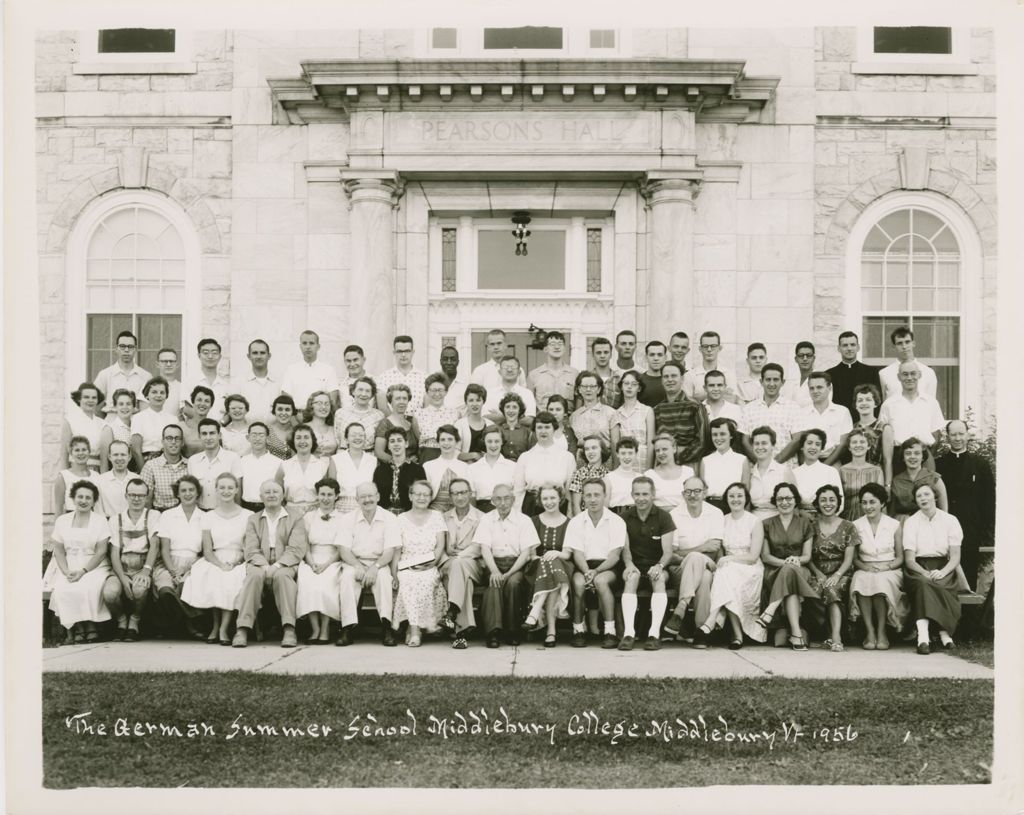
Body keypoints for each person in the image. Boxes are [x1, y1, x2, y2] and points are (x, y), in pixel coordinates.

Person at [230, 480, 306, 648]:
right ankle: (242, 628)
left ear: (283, 495)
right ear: (261, 497)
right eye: (267, 492)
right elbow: (250, 548)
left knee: (283, 577)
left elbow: (296, 548)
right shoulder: (253, 519)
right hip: (259, 562)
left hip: (285, 562)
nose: (271, 495)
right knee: (254, 577)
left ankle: (289, 628)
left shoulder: (296, 517)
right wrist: (265, 566)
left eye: (275, 491)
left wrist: (277, 566)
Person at [181, 473, 252, 645]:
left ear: (236, 490)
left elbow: (248, 547)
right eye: (222, 488)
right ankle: (215, 625)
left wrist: (234, 563)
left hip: (239, 559)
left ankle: (223, 628)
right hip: (215, 558)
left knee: (231, 579)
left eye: (230, 487)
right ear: (216, 491)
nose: (226, 491)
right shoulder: (208, 517)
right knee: (213, 576)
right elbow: (207, 550)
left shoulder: (248, 515)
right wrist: (220, 564)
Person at [698, 482, 766, 648]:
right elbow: (721, 550)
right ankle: (736, 635)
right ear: (726, 499)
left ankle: (710, 622)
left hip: (750, 568)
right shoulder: (723, 520)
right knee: (726, 577)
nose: (736, 499)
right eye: (732, 496)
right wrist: (724, 561)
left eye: (739, 496)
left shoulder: (755, 521)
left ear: (746, 499)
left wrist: (728, 560)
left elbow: (753, 556)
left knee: (726, 575)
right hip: (728, 569)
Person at [44, 480, 113, 643]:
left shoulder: (100, 521)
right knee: (63, 589)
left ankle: (90, 626)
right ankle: (79, 627)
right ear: (73, 499)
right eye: (80, 497)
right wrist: (66, 571)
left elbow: (101, 551)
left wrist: (83, 571)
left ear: (94, 501)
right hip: (67, 565)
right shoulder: (62, 520)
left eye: (88, 498)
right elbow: (59, 550)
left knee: (88, 587)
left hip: (93, 566)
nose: (83, 501)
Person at [475, 483, 539, 647]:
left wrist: (509, 573)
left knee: (514, 583)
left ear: (513, 499)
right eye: (498, 499)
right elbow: (484, 548)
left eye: (506, 498)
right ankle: (493, 632)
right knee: (494, 583)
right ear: (492, 500)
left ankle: (513, 631)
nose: (502, 503)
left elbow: (526, 553)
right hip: (493, 563)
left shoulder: (523, 520)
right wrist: (495, 571)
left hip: (516, 564)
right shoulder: (487, 519)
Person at [903, 483, 964, 654]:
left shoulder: (950, 520)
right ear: (915, 500)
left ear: (935, 496)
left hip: (944, 567)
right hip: (917, 568)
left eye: (926, 494)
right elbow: (909, 560)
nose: (923, 498)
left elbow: (955, 557)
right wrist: (925, 573)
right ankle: (923, 638)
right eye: (919, 496)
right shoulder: (911, 522)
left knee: (938, 582)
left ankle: (944, 634)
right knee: (924, 583)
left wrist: (943, 572)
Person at [564, 478, 626, 648]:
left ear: (605, 496)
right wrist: (587, 572)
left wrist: (596, 572)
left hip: (608, 567)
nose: (592, 499)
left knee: (600, 582)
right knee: (577, 582)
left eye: (597, 495)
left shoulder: (616, 521)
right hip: (584, 565)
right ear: (583, 497)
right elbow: (577, 553)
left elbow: (615, 556)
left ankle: (609, 631)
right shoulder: (576, 522)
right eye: (588, 495)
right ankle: (578, 630)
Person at [336, 482, 401, 646]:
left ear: (378, 497)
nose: (367, 500)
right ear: (357, 500)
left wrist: (375, 568)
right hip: (353, 561)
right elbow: (344, 549)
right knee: (347, 579)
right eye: (363, 496)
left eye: (370, 495)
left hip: (379, 562)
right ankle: (347, 629)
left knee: (384, 580)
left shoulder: (390, 518)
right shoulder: (347, 519)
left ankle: (386, 628)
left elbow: (389, 551)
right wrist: (357, 566)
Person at [663, 477, 724, 647]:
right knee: (703, 576)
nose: (692, 495)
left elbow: (714, 551)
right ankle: (701, 632)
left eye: (697, 491)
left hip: (710, 564)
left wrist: (691, 553)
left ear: (705, 492)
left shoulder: (715, 513)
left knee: (699, 561)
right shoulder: (674, 515)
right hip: (679, 571)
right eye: (688, 491)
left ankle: (681, 607)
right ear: (683, 494)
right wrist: (702, 547)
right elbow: (673, 554)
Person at [935, 419, 995, 590]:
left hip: (971, 528)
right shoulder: (939, 464)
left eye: (961, 433)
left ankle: (968, 616)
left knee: (968, 574)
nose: (957, 438)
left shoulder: (980, 465)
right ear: (947, 437)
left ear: (968, 435)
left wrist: (984, 528)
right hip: (944, 529)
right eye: (953, 434)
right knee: (943, 573)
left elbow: (989, 499)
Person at [757, 482, 817, 651]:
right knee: (789, 575)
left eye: (788, 498)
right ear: (775, 501)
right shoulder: (766, 524)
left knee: (791, 573)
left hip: (800, 569)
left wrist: (794, 561)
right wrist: (786, 563)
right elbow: (766, 556)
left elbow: (806, 556)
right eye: (780, 498)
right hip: (774, 570)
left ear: (795, 500)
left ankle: (772, 608)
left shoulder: (805, 523)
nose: (784, 502)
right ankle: (797, 634)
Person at [618, 476, 675, 651]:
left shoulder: (664, 517)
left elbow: (668, 552)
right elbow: (625, 549)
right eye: (637, 494)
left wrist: (659, 566)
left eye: (645, 494)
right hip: (633, 564)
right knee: (631, 578)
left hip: (657, 565)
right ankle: (628, 634)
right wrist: (629, 565)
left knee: (659, 579)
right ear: (632, 495)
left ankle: (654, 634)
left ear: (653, 495)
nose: (641, 498)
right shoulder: (624, 517)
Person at [101, 478, 160, 641]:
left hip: (143, 564)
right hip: (121, 565)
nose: (136, 499)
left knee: (139, 590)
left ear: (147, 497)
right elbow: (114, 552)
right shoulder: (115, 519)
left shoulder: (154, 515)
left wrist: (147, 570)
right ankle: (121, 621)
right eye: (132, 495)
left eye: (141, 496)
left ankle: (135, 620)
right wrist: (122, 577)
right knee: (110, 593)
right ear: (126, 496)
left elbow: (155, 545)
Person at [391, 480, 448, 647]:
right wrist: (394, 574)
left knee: (426, 579)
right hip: (406, 565)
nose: (422, 498)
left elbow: (440, 546)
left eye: (426, 494)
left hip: (429, 564)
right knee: (408, 579)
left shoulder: (437, 517)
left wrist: (432, 563)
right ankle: (416, 630)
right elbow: (397, 549)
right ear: (410, 496)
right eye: (418, 494)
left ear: (431, 498)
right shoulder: (400, 519)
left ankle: (412, 627)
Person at [850, 483, 906, 650]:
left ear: (882, 503)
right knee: (862, 580)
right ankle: (870, 631)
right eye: (864, 502)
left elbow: (900, 557)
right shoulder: (855, 525)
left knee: (880, 582)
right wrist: (866, 568)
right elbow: (854, 559)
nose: (868, 507)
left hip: (890, 568)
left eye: (872, 502)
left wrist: (885, 568)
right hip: (865, 567)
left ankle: (882, 632)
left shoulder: (894, 525)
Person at [152, 475, 206, 639]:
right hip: (169, 562)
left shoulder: (205, 516)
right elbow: (164, 549)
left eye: (191, 490)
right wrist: (174, 572)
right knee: (166, 590)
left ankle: (180, 624)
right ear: (177, 494)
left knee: (187, 586)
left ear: (197, 493)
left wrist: (190, 570)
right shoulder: (167, 515)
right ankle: (191, 620)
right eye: (183, 490)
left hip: (195, 563)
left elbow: (204, 551)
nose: (187, 493)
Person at [806, 484, 858, 651]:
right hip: (817, 571)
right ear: (818, 503)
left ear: (838, 502)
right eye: (823, 500)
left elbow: (849, 559)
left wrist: (837, 575)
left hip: (842, 572)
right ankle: (820, 633)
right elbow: (808, 556)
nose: (828, 503)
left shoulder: (849, 526)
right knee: (812, 590)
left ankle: (836, 637)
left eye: (832, 500)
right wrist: (818, 573)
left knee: (831, 589)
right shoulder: (811, 525)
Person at [522, 484, 572, 648]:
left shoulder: (569, 523)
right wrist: (543, 559)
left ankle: (535, 612)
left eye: (552, 498)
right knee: (547, 564)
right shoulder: (533, 521)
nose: (549, 502)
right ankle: (551, 630)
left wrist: (555, 554)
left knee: (553, 564)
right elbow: (530, 554)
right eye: (545, 498)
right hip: (536, 568)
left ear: (560, 499)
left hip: (562, 566)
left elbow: (567, 554)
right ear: (540, 500)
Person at [295, 478, 344, 644]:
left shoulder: (343, 518)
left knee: (326, 584)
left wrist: (326, 564)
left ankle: (325, 628)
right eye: (322, 494)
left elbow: (342, 548)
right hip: (311, 559)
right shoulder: (309, 517)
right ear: (317, 495)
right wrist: (310, 562)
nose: (325, 498)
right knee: (308, 582)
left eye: (330, 494)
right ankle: (314, 628)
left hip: (333, 559)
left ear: (336, 496)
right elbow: (305, 544)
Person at [438, 478, 484, 648]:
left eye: (463, 492)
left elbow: (480, 547)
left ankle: (451, 614)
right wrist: (445, 561)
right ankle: (460, 634)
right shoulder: (443, 518)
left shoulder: (482, 518)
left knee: (459, 566)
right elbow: (439, 546)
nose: (460, 496)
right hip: (449, 565)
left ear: (470, 493)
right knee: (466, 583)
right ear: (450, 497)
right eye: (455, 493)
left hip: (473, 564)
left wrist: (460, 556)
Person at [878, 360, 945, 472]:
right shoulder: (888, 404)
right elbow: (883, 437)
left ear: (919, 375)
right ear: (898, 377)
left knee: (926, 488)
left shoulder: (931, 402)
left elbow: (937, 435)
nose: (909, 378)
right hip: (898, 458)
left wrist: (926, 456)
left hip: (925, 457)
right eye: (905, 374)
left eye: (913, 373)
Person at [825, 383, 893, 487]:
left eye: (868, 400)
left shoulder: (884, 428)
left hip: (875, 477)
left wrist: (887, 485)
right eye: (860, 400)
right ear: (855, 405)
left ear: (876, 403)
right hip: (853, 478)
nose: (864, 403)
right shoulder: (851, 428)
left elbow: (887, 460)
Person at [514, 411, 575, 516]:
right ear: (534, 430)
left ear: (554, 429)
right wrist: (518, 516)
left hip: (558, 507)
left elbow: (569, 492)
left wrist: (569, 514)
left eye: (547, 427)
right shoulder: (525, 457)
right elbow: (518, 491)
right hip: (531, 508)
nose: (543, 431)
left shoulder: (567, 457)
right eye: (539, 427)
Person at [782, 371, 852, 460]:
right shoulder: (802, 413)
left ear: (829, 388)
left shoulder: (842, 412)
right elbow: (800, 444)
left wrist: (824, 467)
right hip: (808, 461)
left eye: (819, 387)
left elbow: (843, 445)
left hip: (833, 460)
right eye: (812, 388)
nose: (815, 391)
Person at [654, 361, 710, 467]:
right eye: (666, 376)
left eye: (674, 376)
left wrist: (679, 459)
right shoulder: (657, 409)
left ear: (682, 379)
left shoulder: (695, 406)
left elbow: (703, 441)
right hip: (664, 464)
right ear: (661, 380)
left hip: (690, 463)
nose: (670, 380)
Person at [740, 363, 801, 457]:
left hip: (785, 467)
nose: (772, 384)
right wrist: (760, 463)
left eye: (776, 380)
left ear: (783, 382)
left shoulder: (793, 408)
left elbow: (797, 439)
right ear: (761, 381)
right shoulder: (748, 409)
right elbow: (745, 441)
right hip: (756, 469)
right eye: (768, 380)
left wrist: (776, 463)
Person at [187, 418, 243, 511]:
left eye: (212, 433)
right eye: (204, 434)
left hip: (225, 512)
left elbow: (238, 490)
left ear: (219, 435)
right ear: (199, 436)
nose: (208, 438)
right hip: (200, 512)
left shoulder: (233, 458)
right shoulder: (192, 460)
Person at [276, 424, 331, 516]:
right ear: (293, 442)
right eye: (298, 438)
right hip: (290, 513)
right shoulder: (284, 465)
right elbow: (277, 493)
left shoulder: (322, 465)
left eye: (306, 437)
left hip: (316, 513)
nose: (302, 441)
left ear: (312, 441)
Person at [826, 331, 881, 422]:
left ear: (858, 347)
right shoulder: (829, 374)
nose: (849, 348)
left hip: (865, 423)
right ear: (839, 348)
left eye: (852, 344)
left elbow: (877, 401)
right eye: (845, 345)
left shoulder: (871, 372)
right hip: (839, 423)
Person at [281, 330, 340, 411]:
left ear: (318, 346)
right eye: (304, 343)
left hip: (320, 416)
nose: (308, 347)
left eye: (311, 343)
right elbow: (286, 398)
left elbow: (332, 399)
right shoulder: (291, 370)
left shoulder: (328, 370)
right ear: (300, 346)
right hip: (296, 416)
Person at [787, 429, 843, 515]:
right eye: (809, 443)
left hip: (826, 519)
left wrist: (824, 519)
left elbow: (840, 503)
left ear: (821, 449)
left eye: (817, 444)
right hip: (800, 521)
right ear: (802, 447)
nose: (813, 447)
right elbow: (790, 501)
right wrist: (801, 514)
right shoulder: (794, 473)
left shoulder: (831, 472)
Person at [698, 418, 750, 511]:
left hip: (734, 507)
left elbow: (746, 493)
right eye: (714, 435)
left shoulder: (742, 460)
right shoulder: (705, 461)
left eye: (722, 434)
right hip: (711, 507)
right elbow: (702, 492)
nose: (718, 438)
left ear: (731, 435)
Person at [93, 330, 149, 414]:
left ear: (135, 349)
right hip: (111, 423)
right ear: (116, 349)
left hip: (135, 424)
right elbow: (96, 408)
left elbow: (146, 410)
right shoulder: (104, 375)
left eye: (130, 347)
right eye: (122, 346)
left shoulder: (146, 376)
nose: (126, 350)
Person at [890, 438, 948, 519]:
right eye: (908, 453)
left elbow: (944, 510)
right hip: (904, 522)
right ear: (903, 457)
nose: (912, 457)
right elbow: (892, 511)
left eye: (917, 453)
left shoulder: (934, 478)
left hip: (929, 522)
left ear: (923, 456)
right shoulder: (896, 481)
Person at [373, 428, 426, 514]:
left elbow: (422, 495)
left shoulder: (417, 470)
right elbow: (375, 495)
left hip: (409, 514)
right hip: (385, 515)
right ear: (389, 446)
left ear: (406, 444)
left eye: (399, 440)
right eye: (392, 441)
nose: (396, 444)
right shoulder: (380, 470)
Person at [610, 370, 654, 472]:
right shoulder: (615, 414)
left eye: (634, 384)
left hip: (642, 461)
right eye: (626, 383)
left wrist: (648, 470)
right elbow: (615, 445)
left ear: (639, 388)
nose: (629, 387)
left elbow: (651, 443)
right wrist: (617, 470)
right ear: (621, 387)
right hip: (624, 461)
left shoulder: (647, 411)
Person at [570, 371, 617, 465]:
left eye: (592, 386)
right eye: (584, 386)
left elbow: (615, 444)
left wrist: (615, 467)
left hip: (605, 462)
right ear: (579, 389)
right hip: (581, 463)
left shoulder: (610, 413)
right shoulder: (574, 416)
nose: (588, 389)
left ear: (599, 389)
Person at [879, 326, 938, 402]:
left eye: (907, 342)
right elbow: (883, 405)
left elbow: (931, 404)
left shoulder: (929, 372)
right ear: (894, 346)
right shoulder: (884, 374)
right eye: (899, 343)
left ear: (913, 343)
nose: (904, 346)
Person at [413, 373, 461, 464]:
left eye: (440, 390)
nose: (437, 394)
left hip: (450, 456)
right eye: (433, 390)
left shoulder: (455, 414)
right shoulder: (418, 414)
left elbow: (457, 440)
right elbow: (417, 439)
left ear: (446, 392)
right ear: (427, 392)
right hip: (427, 456)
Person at [422, 424, 471, 512]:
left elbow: (469, 495)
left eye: (450, 439)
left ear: (456, 442)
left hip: (458, 511)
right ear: (438, 442)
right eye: (443, 440)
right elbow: (425, 495)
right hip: (434, 511)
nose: (446, 443)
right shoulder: (428, 466)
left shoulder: (464, 467)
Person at [838, 429, 884, 521]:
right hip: (846, 519)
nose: (858, 445)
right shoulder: (841, 471)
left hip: (870, 518)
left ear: (869, 446)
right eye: (854, 442)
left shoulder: (877, 471)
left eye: (862, 442)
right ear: (849, 447)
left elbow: (881, 500)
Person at [467, 425, 515, 514]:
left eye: (497, 441)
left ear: (502, 442)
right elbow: (471, 499)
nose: (493, 445)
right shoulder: (472, 469)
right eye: (489, 441)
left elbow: (516, 496)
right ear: (484, 442)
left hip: (506, 512)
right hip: (481, 513)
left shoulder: (513, 467)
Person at [140, 424, 188, 511]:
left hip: (184, 515)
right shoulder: (151, 466)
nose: (173, 442)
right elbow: (147, 500)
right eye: (169, 438)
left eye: (177, 438)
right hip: (159, 514)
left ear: (182, 442)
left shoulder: (190, 465)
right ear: (162, 441)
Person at [331, 423, 377, 513]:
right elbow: (331, 490)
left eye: (361, 435)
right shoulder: (336, 459)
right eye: (353, 435)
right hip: (341, 508)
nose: (357, 438)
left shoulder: (373, 460)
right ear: (346, 439)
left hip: (367, 507)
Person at [182, 338, 231, 421]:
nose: (210, 356)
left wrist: (221, 424)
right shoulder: (189, 382)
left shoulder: (227, 385)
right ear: (199, 356)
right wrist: (204, 425)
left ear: (220, 357)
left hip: (220, 430)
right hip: (196, 429)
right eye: (205, 353)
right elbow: (185, 409)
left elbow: (230, 411)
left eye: (214, 353)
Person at [238, 422, 283, 512]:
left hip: (270, 507)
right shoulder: (241, 461)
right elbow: (239, 489)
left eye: (261, 435)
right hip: (246, 507)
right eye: (254, 435)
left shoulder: (278, 462)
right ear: (248, 438)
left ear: (267, 438)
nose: (257, 439)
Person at [376, 335, 427, 412]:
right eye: (399, 351)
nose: (403, 355)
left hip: (418, 422)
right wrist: (395, 423)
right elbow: (382, 407)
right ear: (394, 352)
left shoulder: (424, 377)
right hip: (391, 423)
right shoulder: (384, 377)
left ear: (413, 352)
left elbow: (427, 407)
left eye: (407, 351)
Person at [644, 434, 695, 512]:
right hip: (660, 520)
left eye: (664, 449)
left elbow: (694, 500)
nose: (660, 453)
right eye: (657, 450)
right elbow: (646, 505)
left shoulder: (688, 472)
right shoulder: (649, 475)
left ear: (674, 449)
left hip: (684, 518)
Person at [527, 330, 578, 407]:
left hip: (567, 418)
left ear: (564, 348)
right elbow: (529, 403)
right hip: (543, 417)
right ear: (545, 349)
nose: (557, 347)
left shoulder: (574, 374)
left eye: (560, 344)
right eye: (552, 344)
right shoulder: (534, 375)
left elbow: (579, 401)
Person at [683, 331, 738, 403]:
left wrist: (699, 397)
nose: (709, 349)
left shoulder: (729, 374)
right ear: (700, 349)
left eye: (713, 346)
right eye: (705, 346)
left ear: (720, 348)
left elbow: (732, 399)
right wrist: (721, 394)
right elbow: (687, 402)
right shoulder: (690, 375)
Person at [62, 383, 106, 469]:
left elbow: (104, 458)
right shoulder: (69, 421)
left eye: (94, 398)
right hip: (75, 469)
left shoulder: (103, 424)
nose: (90, 400)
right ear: (79, 399)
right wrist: (65, 475)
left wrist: (103, 479)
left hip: (95, 469)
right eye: (86, 397)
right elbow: (64, 454)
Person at [333, 377, 384, 452]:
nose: (363, 394)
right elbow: (337, 439)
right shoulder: (340, 413)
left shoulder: (379, 416)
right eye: (360, 390)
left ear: (372, 395)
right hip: (344, 456)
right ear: (353, 391)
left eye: (367, 391)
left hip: (368, 458)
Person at [748, 426, 787, 521]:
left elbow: (793, 504)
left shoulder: (784, 471)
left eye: (764, 443)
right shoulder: (750, 473)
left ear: (773, 446)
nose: (760, 447)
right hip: (754, 522)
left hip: (779, 522)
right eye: (756, 444)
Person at [237, 339, 281, 421]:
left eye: (262, 353)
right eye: (255, 353)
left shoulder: (279, 383)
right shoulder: (239, 383)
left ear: (269, 356)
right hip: (247, 432)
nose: (259, 356)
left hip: (273, 432)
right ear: (248, 356)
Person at [374, 383, 418, 463]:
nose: (402, 402)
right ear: (391, 401)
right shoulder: (385, 423)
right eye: (397, 398)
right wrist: (403, 462)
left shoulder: (411, 421)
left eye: (404, 398)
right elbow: (379, 452)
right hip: (392, 468)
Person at [481, 356, 536, 422]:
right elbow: (485, 417)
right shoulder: (490, 393)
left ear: (519, 372)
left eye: (513, 367)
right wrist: (517, 416)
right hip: (494, 431)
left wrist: (498, 416)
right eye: (506, 368)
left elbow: (529, 420)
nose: (509, 370)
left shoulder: (527, 393)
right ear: (499, 372)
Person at [54, 436, 100, 513]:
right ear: (71, 453)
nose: (81, 453)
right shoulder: (63, 477)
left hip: (92, 519)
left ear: (89, 452)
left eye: (84, 450)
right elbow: (58, 507)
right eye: (77, 450)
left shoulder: (96, 476)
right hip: (71, 519)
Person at [99, 389, 140, 472]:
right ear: (115, 407)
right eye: (121, 404)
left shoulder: (137, 426)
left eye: (128, 404)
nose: (125, 407)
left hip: (134, 473)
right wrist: (104, 481)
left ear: (133, 407)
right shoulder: (109, 428)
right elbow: (104, 460)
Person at [569, 435, 610, 516]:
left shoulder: (608, 474)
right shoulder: (579, 474)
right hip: (585, 520)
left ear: (602, 450)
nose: (590, 452)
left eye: (594, 448)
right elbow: (576, 505)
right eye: (587, 449)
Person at [95, 440, 133, 516]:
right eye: (115, 455)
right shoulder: (100, 480)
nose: (119, 458)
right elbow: (98, 510)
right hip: (108, 524)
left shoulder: (137, 479)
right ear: (109, 457)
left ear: (129, 457)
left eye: (123, 454)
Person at [605, 438, 641, 513]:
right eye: (623, 453)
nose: (627, 457)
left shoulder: (641, 478)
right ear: (617, 454)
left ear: (636, 454)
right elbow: (604, 507)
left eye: (630, 453)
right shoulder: (609, 478)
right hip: (616, 518)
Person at [455, 384, 489, 462]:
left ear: (483, 401)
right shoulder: (459, 425)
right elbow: (454, 453)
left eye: (478, 400)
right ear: (466, 402)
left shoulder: (490, 424)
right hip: (464, 467)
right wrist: (473, 455)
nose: (474, 404)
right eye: (471, 400)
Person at [180, 386, 216, 458]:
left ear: (211, 406)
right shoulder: (182, 427)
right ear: (193, 402)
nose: (202, 404)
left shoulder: (214, 427)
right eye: (199, 400)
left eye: (207, 401)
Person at [496, 393, 532, 463]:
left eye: (514, 407)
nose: (511, 411)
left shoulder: (527, 432)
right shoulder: (497, 430)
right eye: (507, 407)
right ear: (503, 409)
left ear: (519, 411)